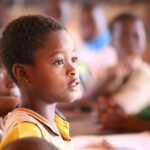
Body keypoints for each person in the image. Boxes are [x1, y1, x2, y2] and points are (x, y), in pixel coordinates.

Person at [0, 15, 80, 150]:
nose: (72, 69)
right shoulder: (25, 135)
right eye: (59, 62)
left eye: (73, 59)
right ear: (23, 73)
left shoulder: (53, 120)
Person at [96, 13, 150, 132]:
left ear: (145, 40)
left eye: (136, 36)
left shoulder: (145, 73)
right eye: (124, 36)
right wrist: (109, 78)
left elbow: (115, 109)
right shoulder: (108, 71)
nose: (130, 41)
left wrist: (88, 103)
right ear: (111, 41)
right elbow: (81, 99)